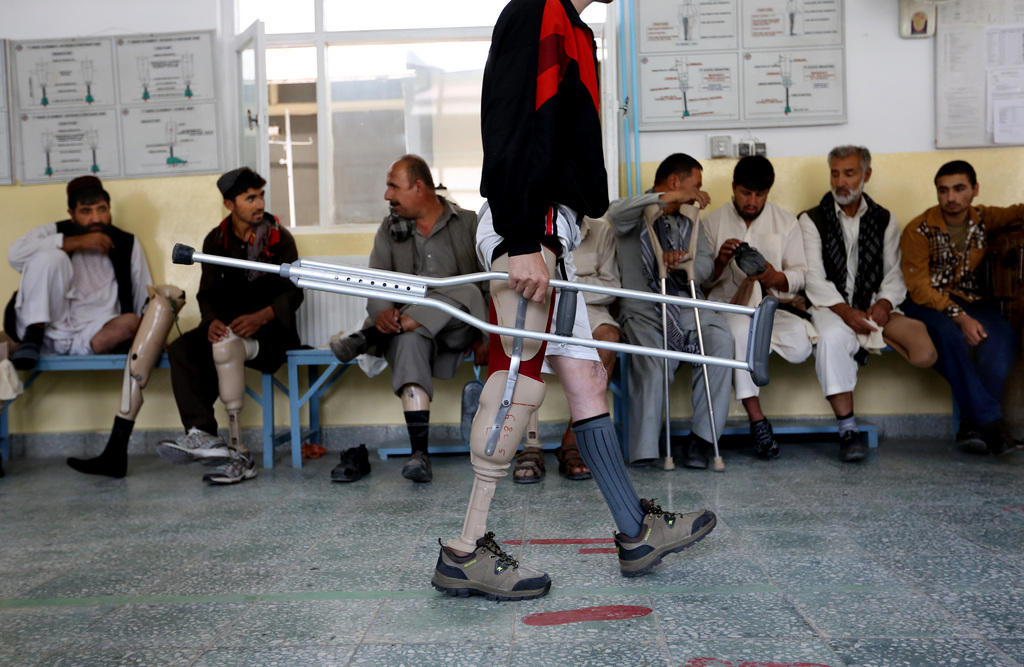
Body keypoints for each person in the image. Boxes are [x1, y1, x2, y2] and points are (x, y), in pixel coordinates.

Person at [431, 0, 716, 602]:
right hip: (526, 229)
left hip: (552, 228)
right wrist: (520, 238)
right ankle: (464, 551)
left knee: (585, 378)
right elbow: (507, 124)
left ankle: (635, 532)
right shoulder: (536, 13)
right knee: (519, 381)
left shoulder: (572, 25)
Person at [4, 175, 185, 478]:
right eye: (86, 212)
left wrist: (153, 334)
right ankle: (32, 339)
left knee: (139, 318)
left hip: (95, 333)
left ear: (109, 209)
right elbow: (14, 256)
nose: (96, 218)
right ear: (72, 213)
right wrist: (74, 242)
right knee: (49, 257)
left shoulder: (125, 242)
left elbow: (142, 295)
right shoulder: (55, 233)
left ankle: (116, 449)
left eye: (101, 209)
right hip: (44, 330)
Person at [329, 155, 486, 484]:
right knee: (408, 339)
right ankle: (419, 455)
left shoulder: (468, 223)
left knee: (465, 288)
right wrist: (383, 312)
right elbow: (376, 281)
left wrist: (489, 340)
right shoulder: (390, 228)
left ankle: (368, 338)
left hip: (460, 328)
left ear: (419, 188)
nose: (387, 196)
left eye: (393, 187)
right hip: (407, 331)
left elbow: (487, 287)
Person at [156, 167, 303, 484]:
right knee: (183, 349)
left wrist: (262, 316)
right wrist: (210, 322)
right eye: (250, 197)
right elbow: (207, 293)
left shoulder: (279, 238)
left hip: (272, 334)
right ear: (229, 204)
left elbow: (294, 292)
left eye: (261, 195)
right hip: (229, 328)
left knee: (224, 347)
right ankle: (203, 436)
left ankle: (240, 455)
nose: (259, 203)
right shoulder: (216, 239)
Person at [798, 146, 937, 462]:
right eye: (835, 173)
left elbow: (894, 272)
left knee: (922, 349)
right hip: (829, 306)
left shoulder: (884, 219)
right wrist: (846, 312)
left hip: (873, 307)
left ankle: (874, 329)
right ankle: (848, 430)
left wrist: (885, 304)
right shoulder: (812, 219)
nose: (841, 181)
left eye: (849, 173)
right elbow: (813, 278)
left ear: (866, 175)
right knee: (833, 337)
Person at [607, 153, 732, 469]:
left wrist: (683, 263)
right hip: (643, 308)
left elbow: (703, 264)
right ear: (676, 182)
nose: (699, 193)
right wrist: (669, 199)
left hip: (684, 303)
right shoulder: (636, 209)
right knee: (655, 362)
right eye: (696, 185)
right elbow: (614, 213)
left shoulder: (691, 219)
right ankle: (646, 450)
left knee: (720, 342)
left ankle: (703, 440)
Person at [900, 160, 1021, 457]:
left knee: (1002, 337)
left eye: (959, 189)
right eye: (943, 190)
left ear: (974, 190)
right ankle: (992, 423)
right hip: (925, 304)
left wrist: (967, 313)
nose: (950, 197)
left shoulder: (983, 219)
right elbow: (919, 288)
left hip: (970, 300)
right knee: (950, 339)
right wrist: (961, 317)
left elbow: (1018, 211)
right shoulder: (919, 229)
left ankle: (971, 425)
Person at [702, 155, 813, 459]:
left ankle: (751, 352)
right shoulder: (712, 222)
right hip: (726, 308)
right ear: (733, 188)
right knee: (740, 332)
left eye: (759, 195)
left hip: (770, 309)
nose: (752, 201)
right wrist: (722, 261)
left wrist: (771, 275)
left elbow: (801, 275)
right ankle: (757, 419)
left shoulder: (785, 222)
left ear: (768, 192)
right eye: (745, 193)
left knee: (800, 342)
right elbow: (701, 284)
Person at [513, 213, 616, 483]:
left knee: (608, 338)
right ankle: (531, 443)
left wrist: (569, 287)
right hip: (540, 301)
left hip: (590, 306)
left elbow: (611, 287)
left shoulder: (601, 231)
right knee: (526, 341)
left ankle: (572, 441)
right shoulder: (530, 221)